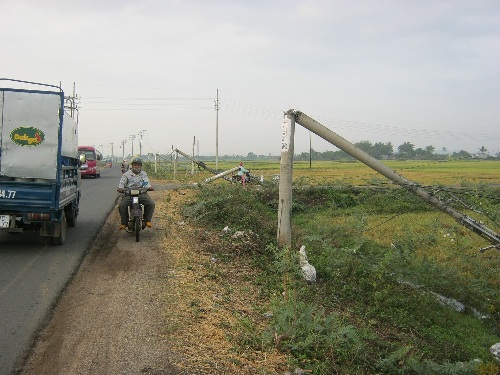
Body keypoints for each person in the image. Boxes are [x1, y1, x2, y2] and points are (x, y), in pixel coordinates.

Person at [117, 156, 155, 230]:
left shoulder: (143, 174)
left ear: (141, 166)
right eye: (135, 164)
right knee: (121, 206)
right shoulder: (126, 174)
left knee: (151, 204)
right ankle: (124, 223)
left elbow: (146, 182)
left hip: (141, 194)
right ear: (132, 165)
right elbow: (122, 183)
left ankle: (147, 220)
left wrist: (149, 187)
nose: (136, 166)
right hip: (129, 194)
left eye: (138, 165)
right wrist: (120, 188)